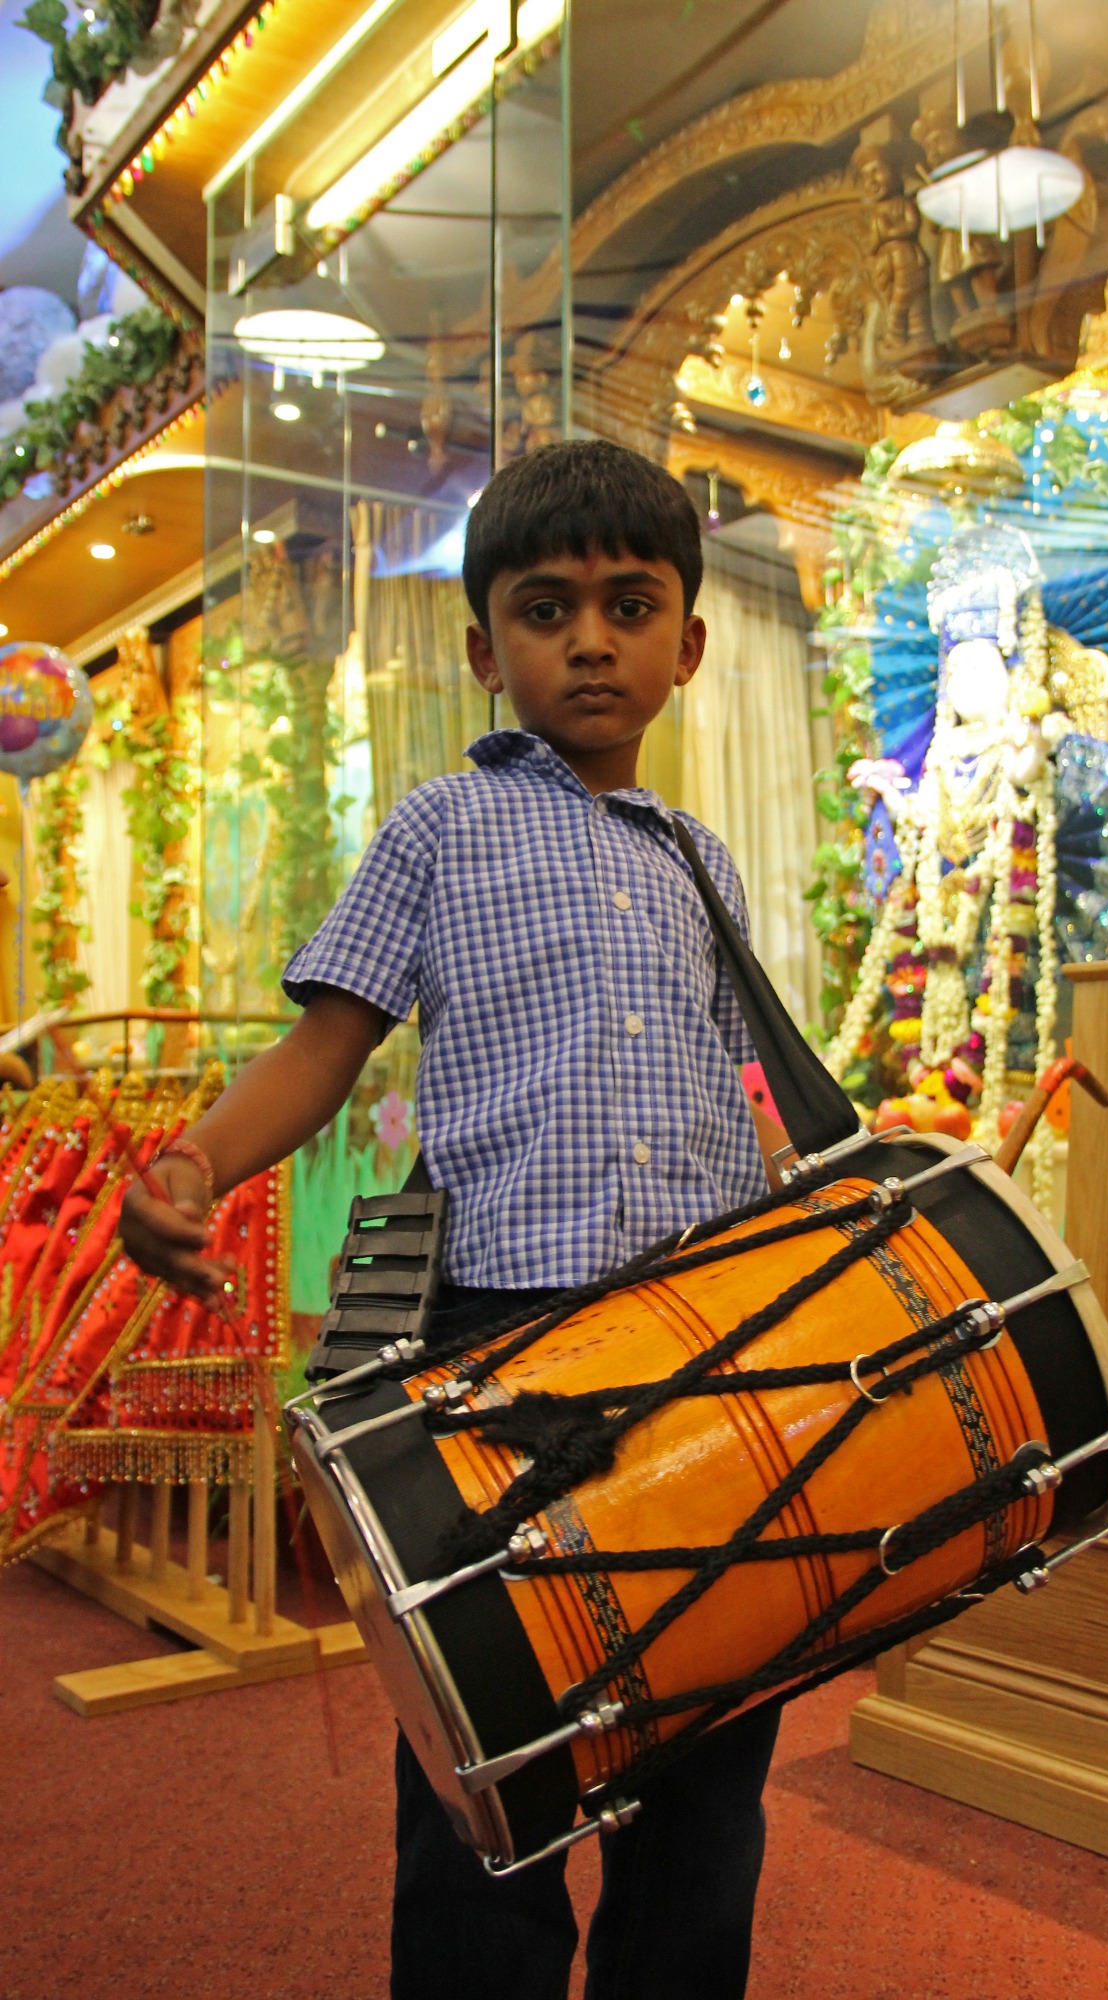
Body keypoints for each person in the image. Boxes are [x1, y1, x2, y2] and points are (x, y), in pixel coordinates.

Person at [120, 437, 789, 2000]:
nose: (590, 640)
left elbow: (724, 1096)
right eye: (546, 609)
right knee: (491, 1780)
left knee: (706, 1791)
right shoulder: (439, 826)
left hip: (709, 1351)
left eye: (630, 606)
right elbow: (323, 1043)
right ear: (484, 647)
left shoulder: (707, 865)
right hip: (501, 1354)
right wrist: (199, 1166)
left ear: (687, 643)